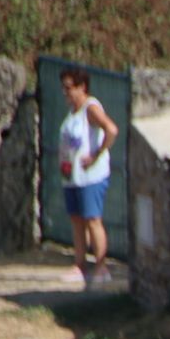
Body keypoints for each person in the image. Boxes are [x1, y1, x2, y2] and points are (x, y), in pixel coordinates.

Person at [57, 67, 119, 287]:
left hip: (91, 177)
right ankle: (80, 265)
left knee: (93, 220)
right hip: (72, 177)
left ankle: (101, 267)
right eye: (63, 88)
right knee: (77, 220)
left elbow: (111, 129)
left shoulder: (90, 108)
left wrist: (96, 155)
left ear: (81, 87)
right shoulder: (72, 112)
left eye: (69, 88)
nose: (65, 93)